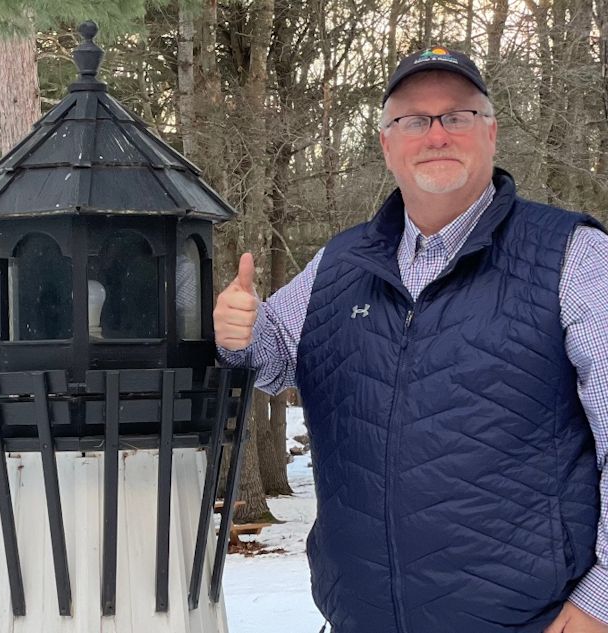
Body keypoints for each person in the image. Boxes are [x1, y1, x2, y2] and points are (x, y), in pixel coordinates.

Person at [214, 47, 608, 633]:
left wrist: (598, 600)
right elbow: (272, 357)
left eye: (458, 116)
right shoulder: (340, 264)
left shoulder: (574, 258)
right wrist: (236, 332)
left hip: (533, 621)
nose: (437, 134)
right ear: (386, 144)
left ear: (491, 131)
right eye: (414, 120)